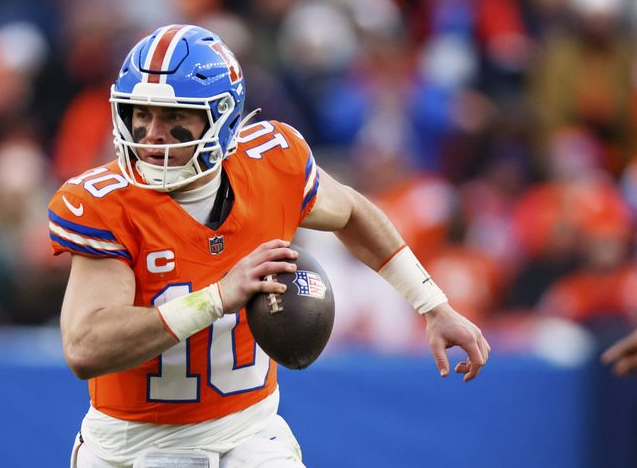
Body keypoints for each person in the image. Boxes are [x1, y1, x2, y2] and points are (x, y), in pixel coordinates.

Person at [47, 24, 491, 468]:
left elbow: (353, 212)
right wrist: (217, 298)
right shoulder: (105, 204)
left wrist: (432, 304)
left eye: (173, 116)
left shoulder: (271, 163)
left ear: (220, 116)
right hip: (138, 445)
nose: (151, 134)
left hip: (250, 431)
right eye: (140, 114)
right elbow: (86, 347)